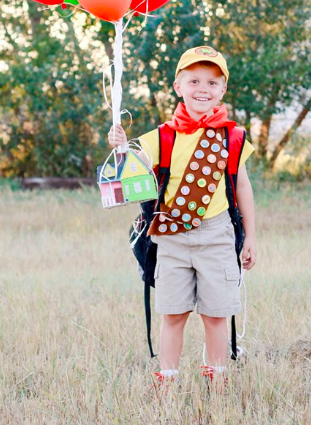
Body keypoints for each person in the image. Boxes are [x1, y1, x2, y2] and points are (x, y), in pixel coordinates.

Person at [108, 46, 257, 387]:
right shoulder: (162, 135)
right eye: (194, 81)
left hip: (217, 235)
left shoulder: (232, 136)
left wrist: (251, 236)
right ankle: (167, 381)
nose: (202, 88)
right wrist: (119, 146)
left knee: (216, 314)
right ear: (178, 86)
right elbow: (133, 173)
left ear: (222, 90)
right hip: (171, 236)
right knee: (173, 313)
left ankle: (217, 380)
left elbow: (244, 187)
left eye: (212, 82)